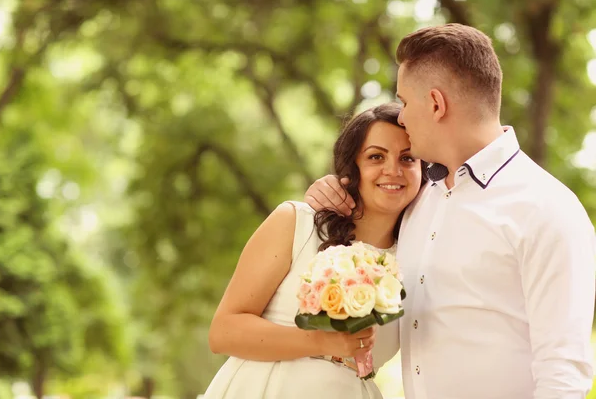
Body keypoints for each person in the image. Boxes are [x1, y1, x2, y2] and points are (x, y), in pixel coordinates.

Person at [305, 23, 596, 399]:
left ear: (436, 104)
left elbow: (563, 372)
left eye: (406, 103)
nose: (403, 119)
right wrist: (331, 196)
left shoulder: (547, 209)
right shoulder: (417, 198)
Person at [203, 102, 425, 399]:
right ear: (353, 167)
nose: (392, 170)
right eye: (376, 156)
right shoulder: (297, 222)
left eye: (408, 158)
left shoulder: (418, 263)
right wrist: (321, 342)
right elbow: (222, 332)